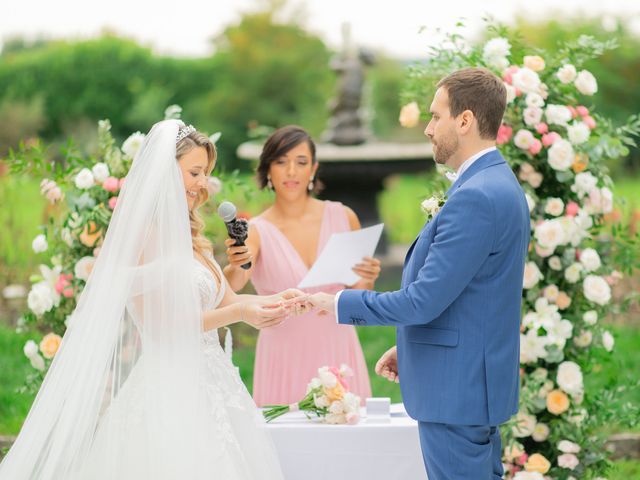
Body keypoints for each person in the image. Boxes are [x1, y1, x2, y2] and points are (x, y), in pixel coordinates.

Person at [0, 120, 306, 479]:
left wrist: (275, 301)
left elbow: (227, 300)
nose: (202, 183)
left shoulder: (193, 237)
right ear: (164, 171)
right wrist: (240, 311)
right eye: (194, 172)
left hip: (216, 385)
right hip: (169, 389)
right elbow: (168, 325)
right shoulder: (142, 237)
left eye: (205, 173)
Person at [302, 68, 530, 480]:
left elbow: (422, 300)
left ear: (465, 121)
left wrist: (337, 302)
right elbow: (467, 295)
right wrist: (412, 347)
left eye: (435, 116)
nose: (427, 129)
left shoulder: (476, 196)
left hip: (457, 394)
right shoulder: (494, 183)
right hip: (466, 385)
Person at [223, 125, 376, 406]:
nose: (291, 171)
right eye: (281, 162)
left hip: (337, 348)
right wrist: (235, 263)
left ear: (313, 169)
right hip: (283, 356)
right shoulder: (256, 231)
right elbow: (233, 284)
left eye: (301, 162)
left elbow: (359, 294)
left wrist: (367, 278)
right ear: (268, 170)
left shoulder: (344, 217)